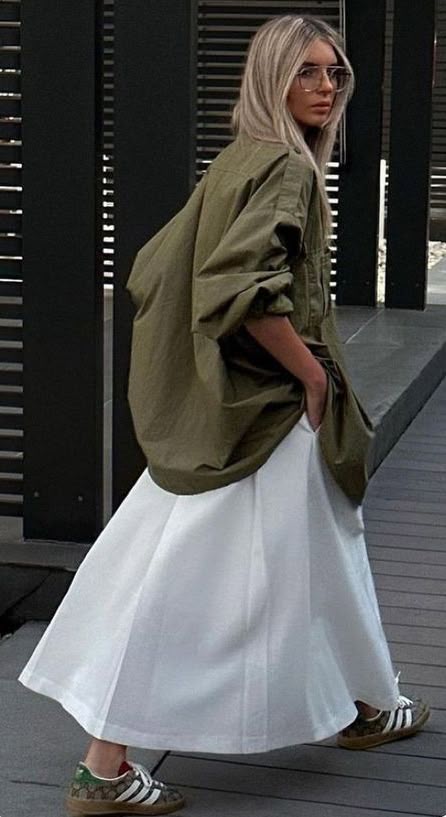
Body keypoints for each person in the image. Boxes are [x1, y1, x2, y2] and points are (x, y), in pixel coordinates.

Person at [18, 13, 430, 816]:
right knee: (192, 574)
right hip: (265, 413)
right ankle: (105, 765)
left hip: (232, 410)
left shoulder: (242, 156)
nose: (326, 86)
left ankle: (371, 701)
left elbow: (158, 266)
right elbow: (236, 290)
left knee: (315, 548)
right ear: (270, 76)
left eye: (335, 72)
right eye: (306, 71)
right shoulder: (285, 169)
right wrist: (312, 377)